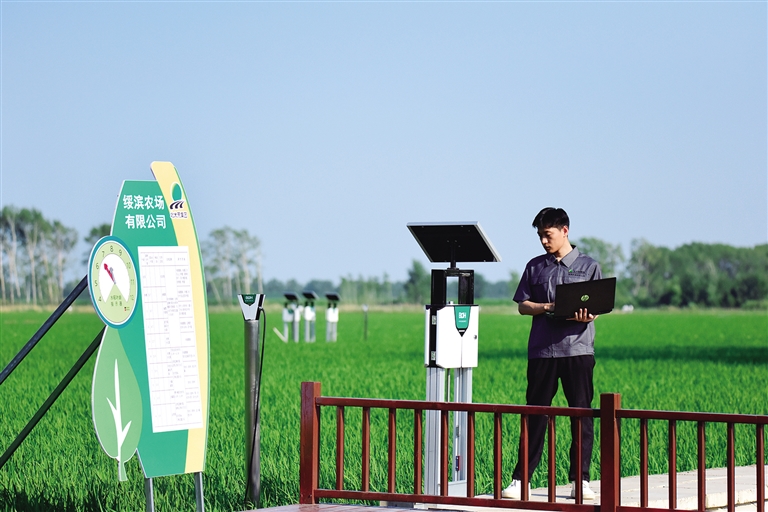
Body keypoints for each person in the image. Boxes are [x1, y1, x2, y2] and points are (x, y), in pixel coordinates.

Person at [503, 207, 601, 501]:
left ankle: (580, 480)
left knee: (581, 415)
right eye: (540, 236)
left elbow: (597, 307)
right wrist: (547, 307)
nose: (544, 241)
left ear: (565, 231)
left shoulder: (589, 266)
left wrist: (588, 315)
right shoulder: (535, 267)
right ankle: (521, 480)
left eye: (548, 235)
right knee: (535, 414)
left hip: (577, 350)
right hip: (542, 351)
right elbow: (523, 305)